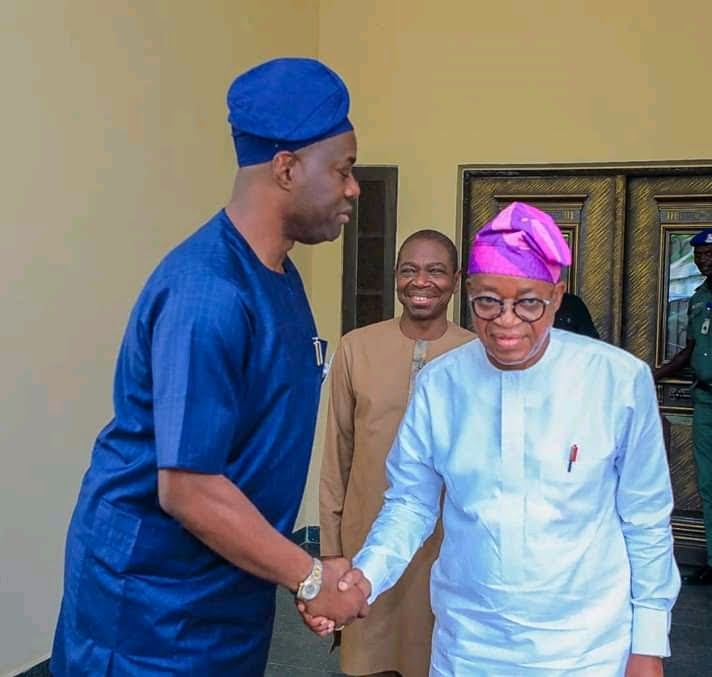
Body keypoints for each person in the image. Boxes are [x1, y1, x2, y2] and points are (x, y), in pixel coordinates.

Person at [50, 57, 368, 676]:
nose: (353, 188)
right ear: (286, 169)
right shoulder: (208, 292)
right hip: (152, 605)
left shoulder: (281, 277)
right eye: (343, 169)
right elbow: (189, 488)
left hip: (228, 584)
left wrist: (296, 572)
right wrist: (308, 576)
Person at [306, 202, 681, 676]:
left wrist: (648, 644)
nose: (506, 321)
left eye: (528, 303)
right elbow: (411, 503)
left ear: (556, 297)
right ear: (469, 294)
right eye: (488, 302)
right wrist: (366, 578)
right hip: (468, 645)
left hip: (586, 647)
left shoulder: (618, 381)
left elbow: (645, 519)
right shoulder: (441, 384)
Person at [320, 229, 474, 677]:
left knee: (439, 654)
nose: (420, 281)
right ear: (395, 278)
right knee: (370, 657)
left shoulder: (475, 354)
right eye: (409, 270)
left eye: (435, 271)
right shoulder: (357, 347)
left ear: (456, 281)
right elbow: (337, 454)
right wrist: (331, 550)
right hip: (367, 535)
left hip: (447, 542)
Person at [654, 227, 712, 585]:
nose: (704, 260)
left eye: (709, 254)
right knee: (708, 482)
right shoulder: (698, 297)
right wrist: (654, 375)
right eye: (700, 255)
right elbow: (690, 349)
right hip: (704, 398)